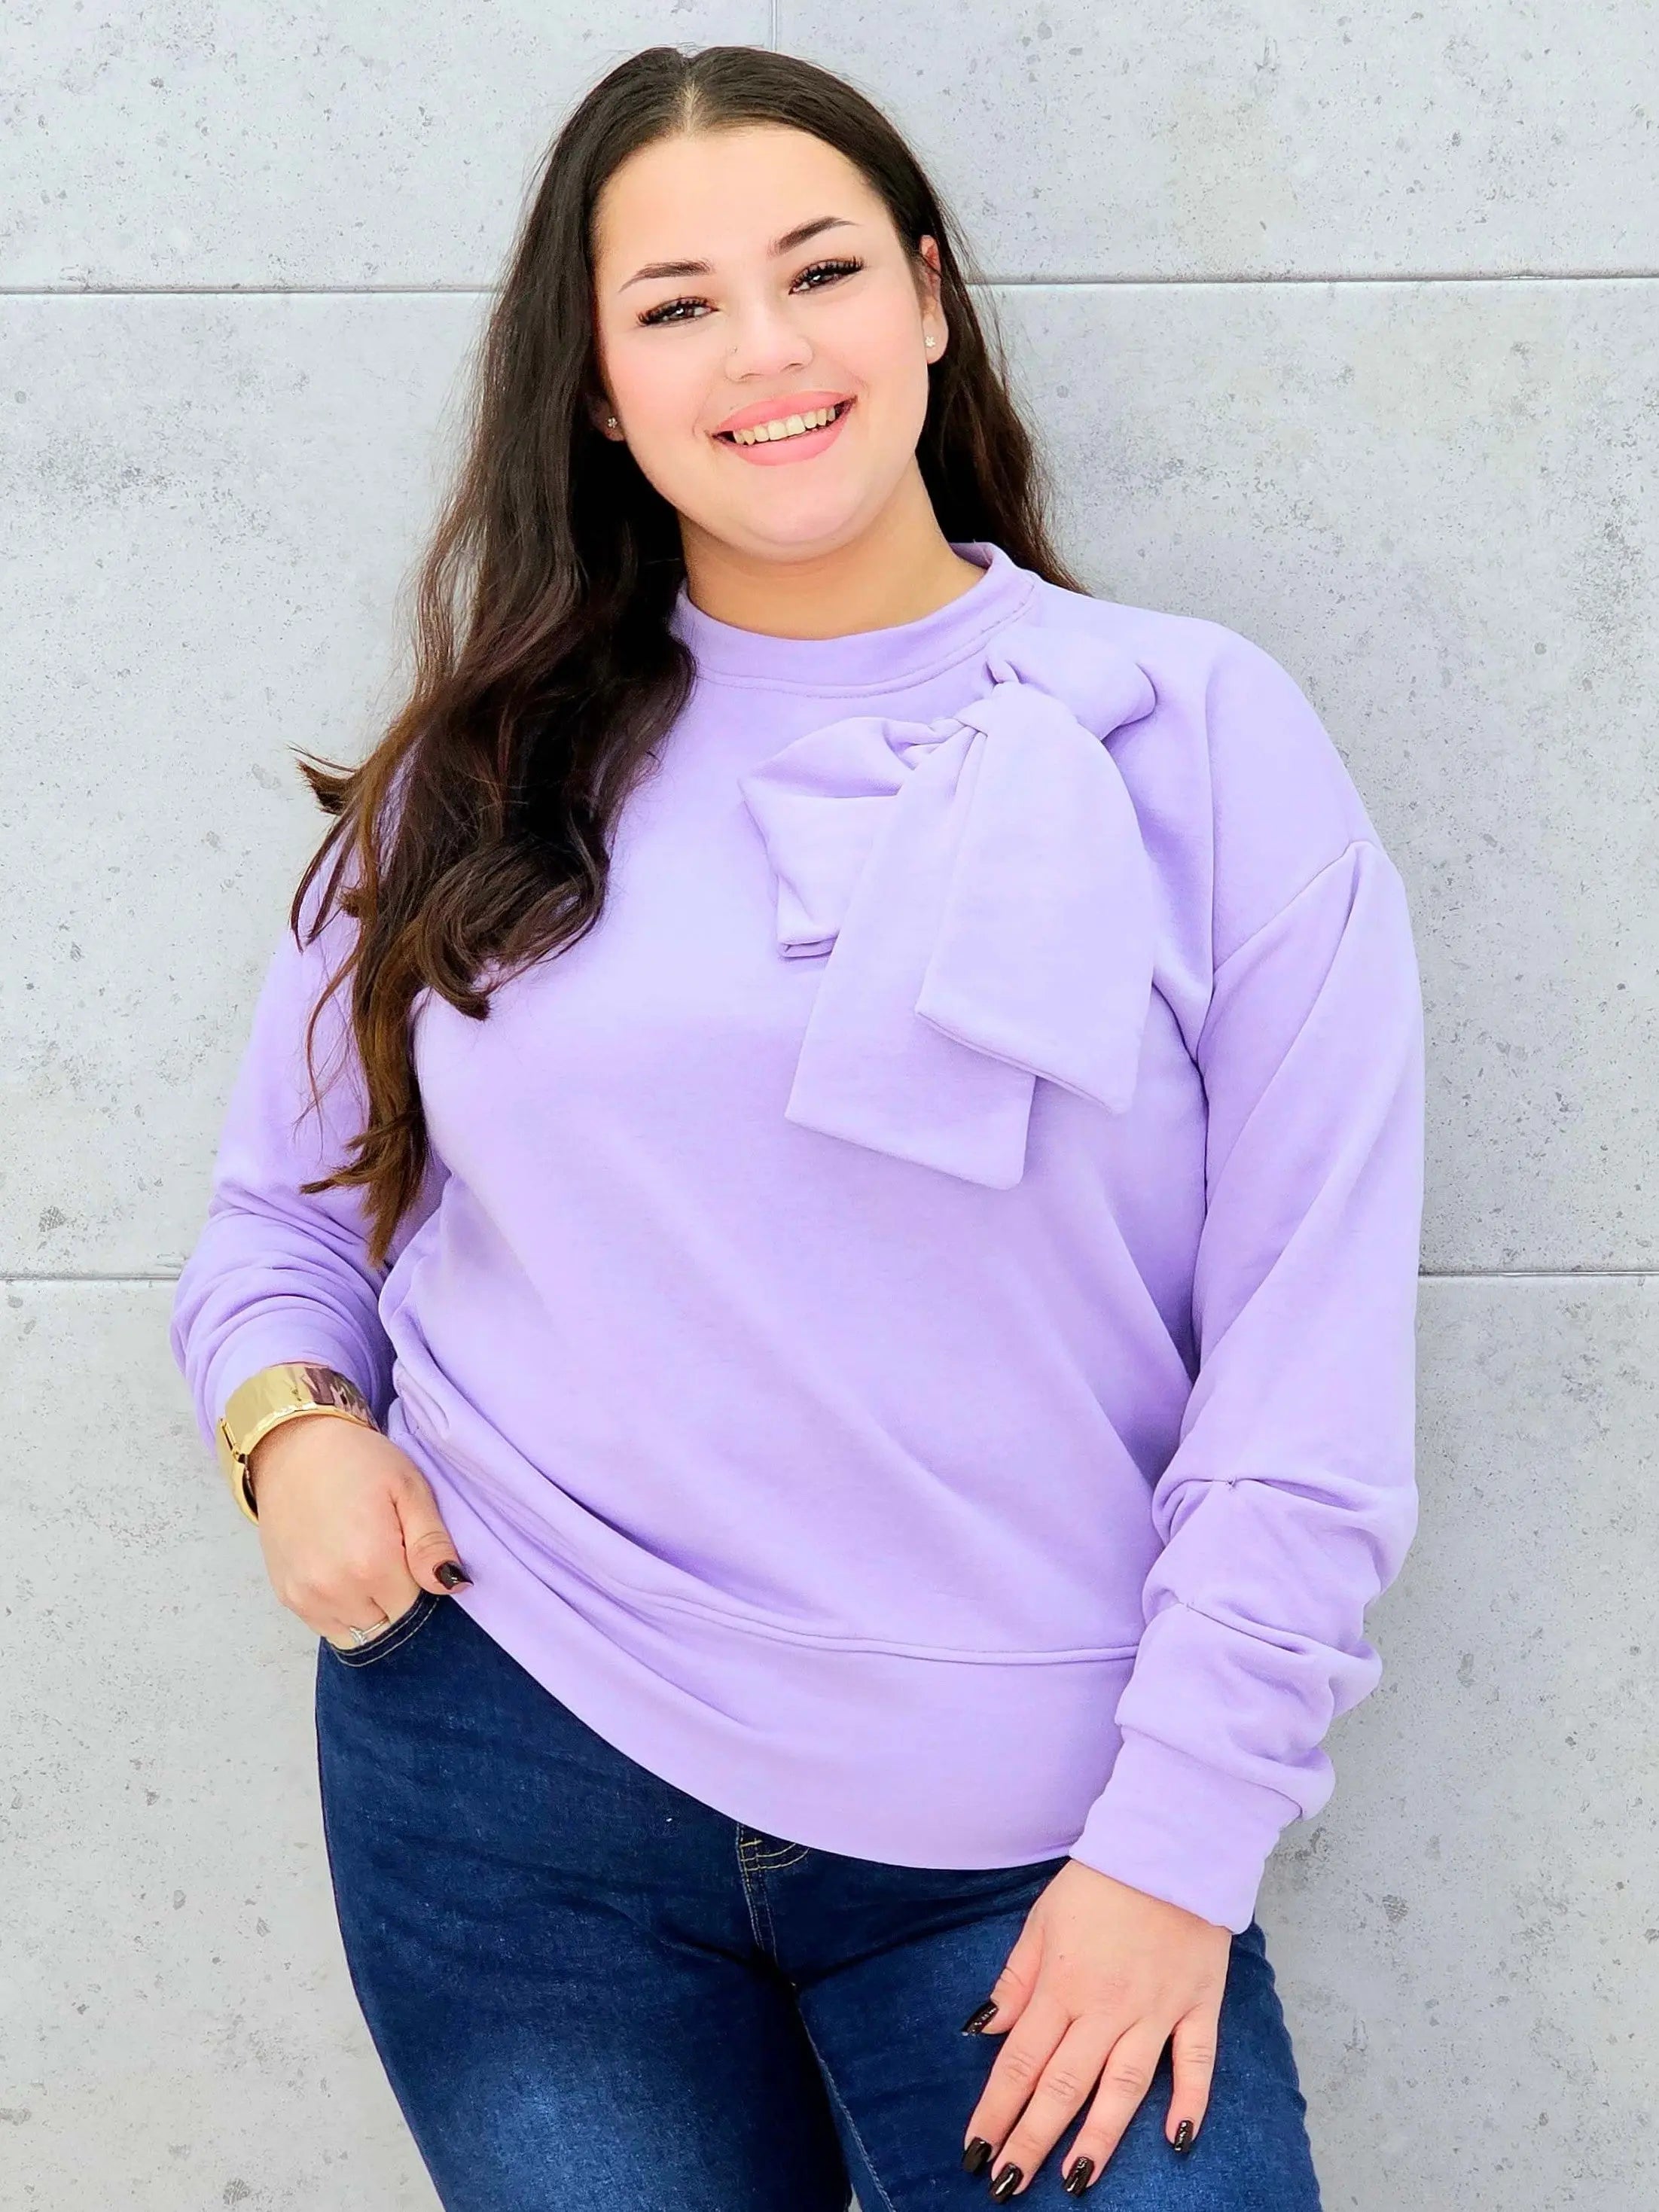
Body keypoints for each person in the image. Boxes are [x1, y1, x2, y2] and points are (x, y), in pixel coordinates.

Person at [169, 41, 1424, 2212]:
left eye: (820, 271)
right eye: (675, 306)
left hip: (1042, 1820)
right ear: (597, 390)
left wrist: (1172, 1852)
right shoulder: (473, 778)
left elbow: (1307, 1360)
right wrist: (292, 1432)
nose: (763, 350)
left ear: (928, 298)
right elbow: (282, 1221)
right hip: (514, 1773)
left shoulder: (1198, 734)